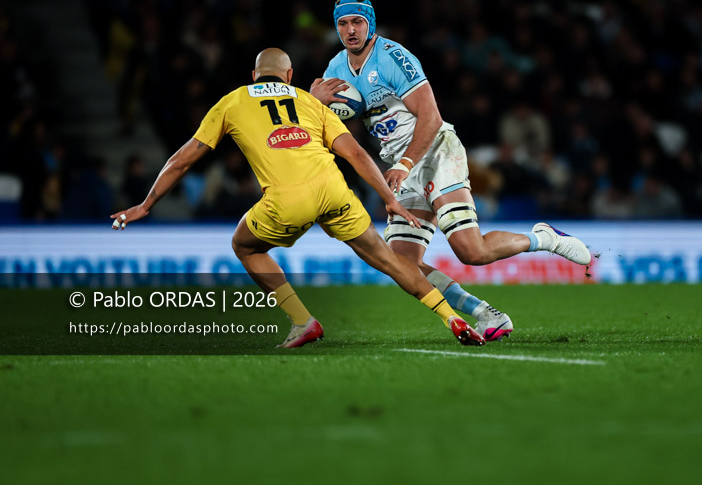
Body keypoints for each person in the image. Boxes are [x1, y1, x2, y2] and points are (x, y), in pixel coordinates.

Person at [111, 48, 485, 348]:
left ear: (254, 76)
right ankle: (448, 316)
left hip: (287, 200)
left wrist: (146, 205)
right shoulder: (309, 104)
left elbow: (183, 159)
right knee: (387, 259)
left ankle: (302, 321)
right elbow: (355, 154)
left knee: (245, 246)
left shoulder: (233, 101)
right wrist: (390, 198)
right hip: (334, 190)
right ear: (290, 77)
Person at [310, 0, 592, 341]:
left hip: (435, 152)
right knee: (402, 264)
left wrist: (407, 162)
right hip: (399, 165)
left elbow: (431, 115)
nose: (350, 30)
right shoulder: (335, 69)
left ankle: (542, 238)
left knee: (470, 251)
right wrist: (313, 103)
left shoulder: (393, 57)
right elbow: (322, 127)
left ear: (371, 24)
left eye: (357, 21)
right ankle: (486, 314)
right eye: (343, 23)